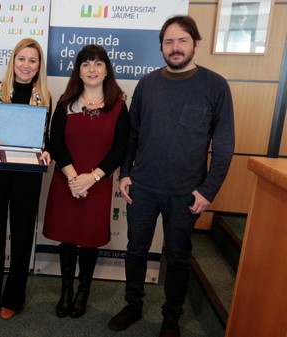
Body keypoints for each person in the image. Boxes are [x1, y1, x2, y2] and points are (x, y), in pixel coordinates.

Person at [108, 15, 234, 337]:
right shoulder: (147, 84)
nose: (175, 47)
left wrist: (208, 191)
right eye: (169, 42)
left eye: (182, 40)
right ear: (161, 47)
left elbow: (223, 146)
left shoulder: (216, 86)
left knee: (178, 256)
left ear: (196, 44)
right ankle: (133, 305)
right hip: (143, 188)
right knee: (136, 250)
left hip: (186, 193)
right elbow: (132, 136)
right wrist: (125, 173)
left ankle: (171, 316)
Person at [42, 44, 129, 319]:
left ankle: (83, 292)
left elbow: (120, 147)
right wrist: (73, 178)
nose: (92, 69)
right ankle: (66, 291)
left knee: (89, 240)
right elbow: (55, 141)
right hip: (67, 181)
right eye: (86, 64)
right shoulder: (66, 102)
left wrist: (91, 178)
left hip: (98, 184)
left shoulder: (118, 106)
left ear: (106, 71)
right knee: (67, 238)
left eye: (98, 63)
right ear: (78, 71)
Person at [0, 38, 51, 320]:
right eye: (21, 59)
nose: (26, 65)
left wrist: (49, 152)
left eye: (32, 60)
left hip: (28, 175)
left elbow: (48, 138)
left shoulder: (45, 96)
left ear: (38, 66)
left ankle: (14, 298)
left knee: (21, 238)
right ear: (13, 61)